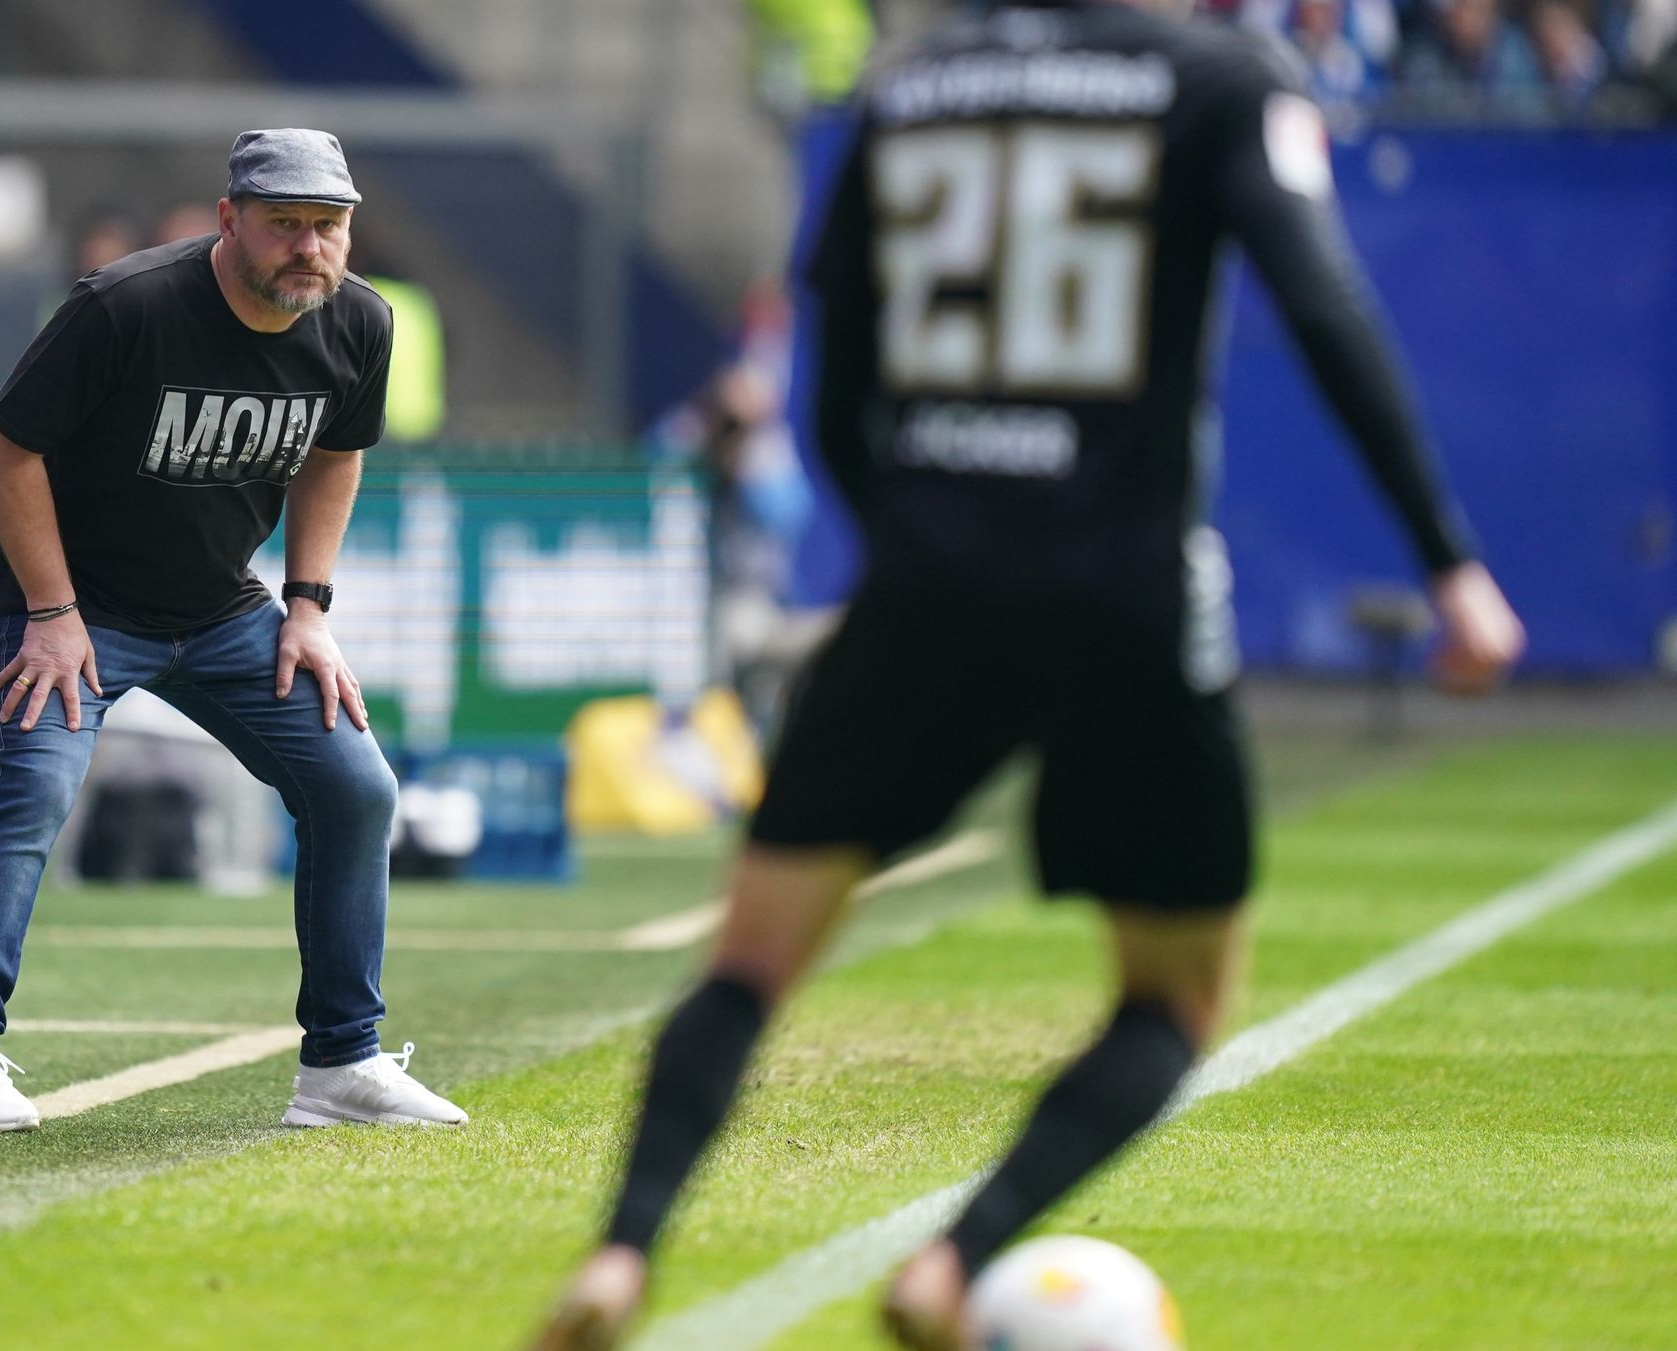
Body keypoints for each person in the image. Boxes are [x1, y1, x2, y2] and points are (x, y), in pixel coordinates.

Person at [531, 0, 1525, 1346]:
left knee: (750, 957)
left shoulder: (914, 84)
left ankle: (624, 1249)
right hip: (1124, 596)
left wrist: (910, 541)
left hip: (927, 583)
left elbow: (835, 366)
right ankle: (957, 1261)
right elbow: (1320, 295)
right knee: (1175, 996)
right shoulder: (1214, 76)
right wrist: (1447, 559)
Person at [0, 129, 467, 1134]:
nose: (308, 246)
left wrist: (307, 604)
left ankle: (341, 1065)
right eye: (284, 224)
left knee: (356, 787)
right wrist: (50, 613)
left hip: (219, 606)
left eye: (327, 225)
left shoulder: (359, 323)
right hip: (72, 609)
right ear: (229, 221)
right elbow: (5, 449)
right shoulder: (124, 304)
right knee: (35, 787)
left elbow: (336, 451)